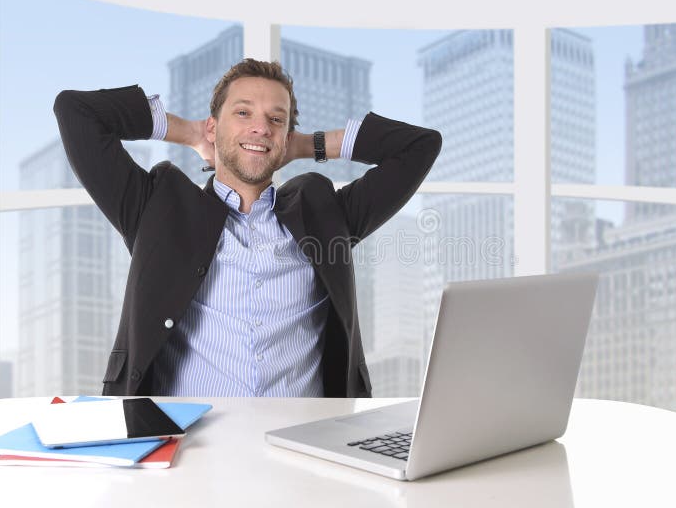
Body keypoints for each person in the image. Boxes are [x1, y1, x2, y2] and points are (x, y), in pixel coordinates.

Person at [54, 58, 441, 398]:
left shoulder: (325, 216)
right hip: (190, 448)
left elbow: (420, 146)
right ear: (214, 127)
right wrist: (189, 133)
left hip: (301, 446)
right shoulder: (156, 207)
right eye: (243, 113)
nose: (261, 128)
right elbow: (75, 112)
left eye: (276, 119)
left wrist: (308, 145)